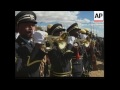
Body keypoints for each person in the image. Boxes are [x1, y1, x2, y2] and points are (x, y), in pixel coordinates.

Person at [15, 11, 46, 77]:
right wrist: (38, 46)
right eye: (27, 24)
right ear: (18, 27)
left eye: (33, 25)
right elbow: (20, 71)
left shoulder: (33, 43)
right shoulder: (16, 45)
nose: (31, 28)